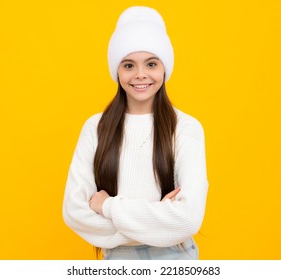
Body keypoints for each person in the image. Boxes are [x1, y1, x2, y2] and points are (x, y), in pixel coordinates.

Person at [62, 6, 208, 260]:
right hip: (117, 260)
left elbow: (188, 220)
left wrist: (106, 206)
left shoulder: (185, 128)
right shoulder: (96, 128)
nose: (140, 74)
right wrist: (158, 218)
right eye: (129, 65)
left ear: (165, 68)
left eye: (151, 63)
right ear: (117, 71)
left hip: (176, 259)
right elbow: (74, 212)